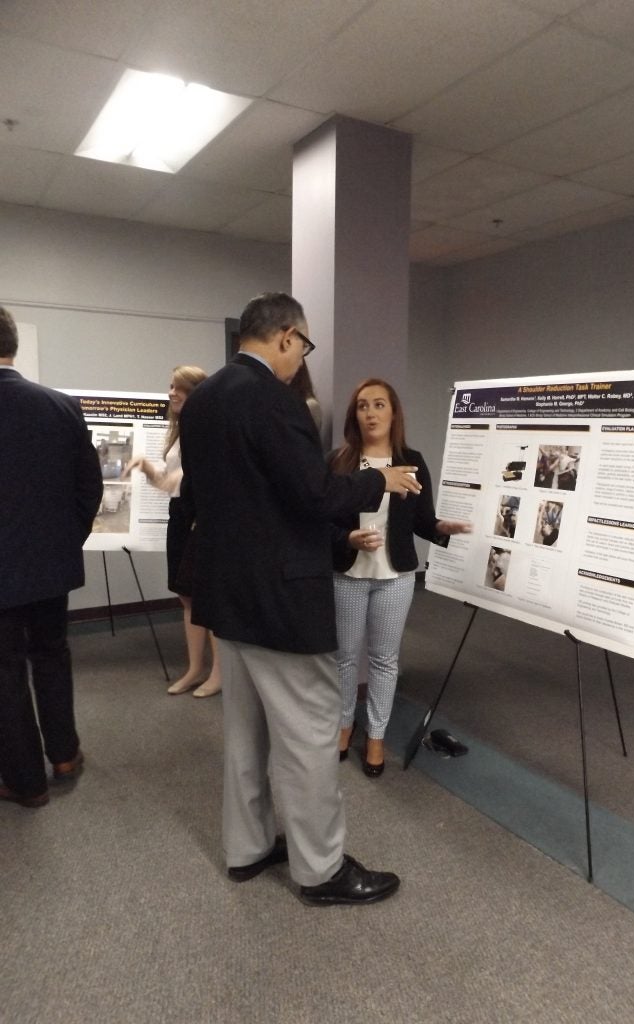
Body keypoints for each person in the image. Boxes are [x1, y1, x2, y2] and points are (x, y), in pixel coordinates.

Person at [178, 292, 422, 906]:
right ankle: (321, 870)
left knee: (244, 732)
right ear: (286, 337)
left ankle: (248, 848)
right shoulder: (273, 401)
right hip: (281, 598)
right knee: (312, 733)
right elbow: (313, 496)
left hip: (228, 594)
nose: (300, 360)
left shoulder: (202, 397)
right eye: (303, 346)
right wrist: (378, 480)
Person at [329, 379, 472, 777]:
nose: (371, 413)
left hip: (395, 577)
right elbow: (319, 522)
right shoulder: (340, 462)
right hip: (348, 574)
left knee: (384, 660)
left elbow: (422, 520)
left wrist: (444, 527)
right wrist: (347, 538)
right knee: (343, 658)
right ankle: (344, 725)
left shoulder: (411, 459)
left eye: (379, 404)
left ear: (393, 413)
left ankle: (375, 735)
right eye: (362, 406)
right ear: (354, 415)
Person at [0, 307, 103, 807]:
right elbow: (90, 487)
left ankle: (25, 781)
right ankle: (64, 754)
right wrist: (67, 539)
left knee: (5, 670)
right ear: (13, 346)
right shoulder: (61, 407)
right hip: (50, 566)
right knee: (52, 656)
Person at [123, 367, 222, 698]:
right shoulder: (179, 431)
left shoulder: (208, 431)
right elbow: (170, 483)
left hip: (201, 518)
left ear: (197, 393)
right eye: (170, 386)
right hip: (179, 514)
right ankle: (196, 668)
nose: (171, 393)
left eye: (179, 388)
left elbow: (206, 481)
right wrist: (148, 467)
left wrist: (195, 505)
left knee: (206, 598)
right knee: (186, 595)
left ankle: (218, 673)